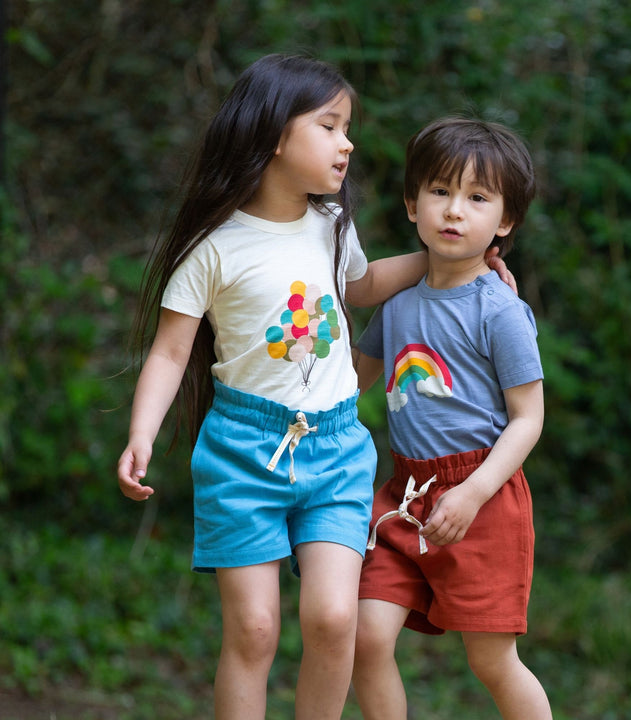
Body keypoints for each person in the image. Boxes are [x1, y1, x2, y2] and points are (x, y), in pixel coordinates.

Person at [116, 53, 437, 720]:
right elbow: (172, 353)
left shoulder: (330, 226)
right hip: (242, 453)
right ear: (272, 133)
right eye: (329, 125)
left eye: (347, 127)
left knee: (332, 618)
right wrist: (141, 433)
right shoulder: (214, 248)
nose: (347, 141)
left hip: (338, 449)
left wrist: (449, 259)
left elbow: (364, 287)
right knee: (255, 631)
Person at [351, 117, 552, 720]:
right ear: (412, 204)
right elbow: (347, 384)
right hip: (404, 492)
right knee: (366, 638)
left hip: (483, 498)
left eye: (477, 197)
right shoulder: (398, 305)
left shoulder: (501, 310)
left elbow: (528, 419)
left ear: (505, 221)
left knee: (490, 662)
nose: (454, 210)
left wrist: (471, 494)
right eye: (439, 191)